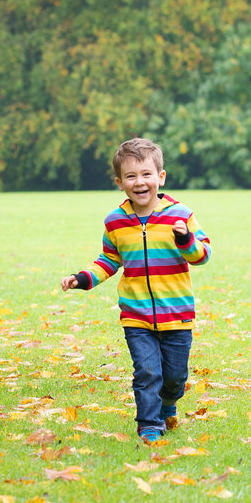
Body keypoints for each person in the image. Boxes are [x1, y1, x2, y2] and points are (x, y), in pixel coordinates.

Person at [61, 138, 212, 444]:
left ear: (161, 177)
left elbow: (202, 255)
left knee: (174, 378)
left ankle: (168, 403)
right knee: (147, 373)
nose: (139, 182)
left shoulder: (180, 215)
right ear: (120, 183)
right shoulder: (115, 221)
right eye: (131, 176)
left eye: (146, 174)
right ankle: (149, 425)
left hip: (177, 314)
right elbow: (108, 260)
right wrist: (83, 278)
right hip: (136, 315)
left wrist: (185, 241)